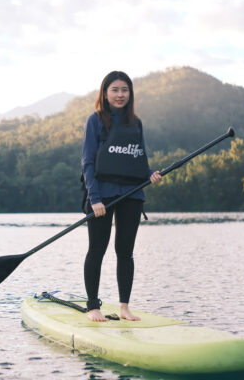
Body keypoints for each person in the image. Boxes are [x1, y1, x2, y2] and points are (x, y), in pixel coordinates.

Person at [81, 71, 162, 322]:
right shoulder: (95, 121)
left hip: (131, 194)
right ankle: (93, 306)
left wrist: (150, 174)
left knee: (125, 252)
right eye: (115, 89)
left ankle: (124, 307)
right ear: (105, 93)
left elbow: (138, 158)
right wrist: (94, 198)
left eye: (124, 90)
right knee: (97, 250)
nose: (120, 95)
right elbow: (88, 162)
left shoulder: (135, 123)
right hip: (102, 197)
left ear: (130, 93)